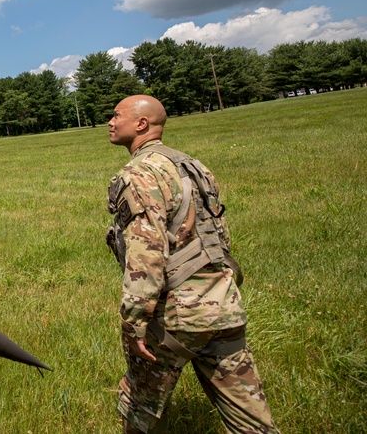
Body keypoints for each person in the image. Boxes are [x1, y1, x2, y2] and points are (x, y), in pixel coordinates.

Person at [105, 95, 278, 433]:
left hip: (174, 317)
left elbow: (146, 253)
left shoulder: (138, 173)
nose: (110, 122)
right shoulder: (192, 165)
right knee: (251, 421)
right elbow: (219, 235)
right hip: (224, 306)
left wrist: (134, 320)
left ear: (141, 124)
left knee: (141, 412)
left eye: (116, 115)